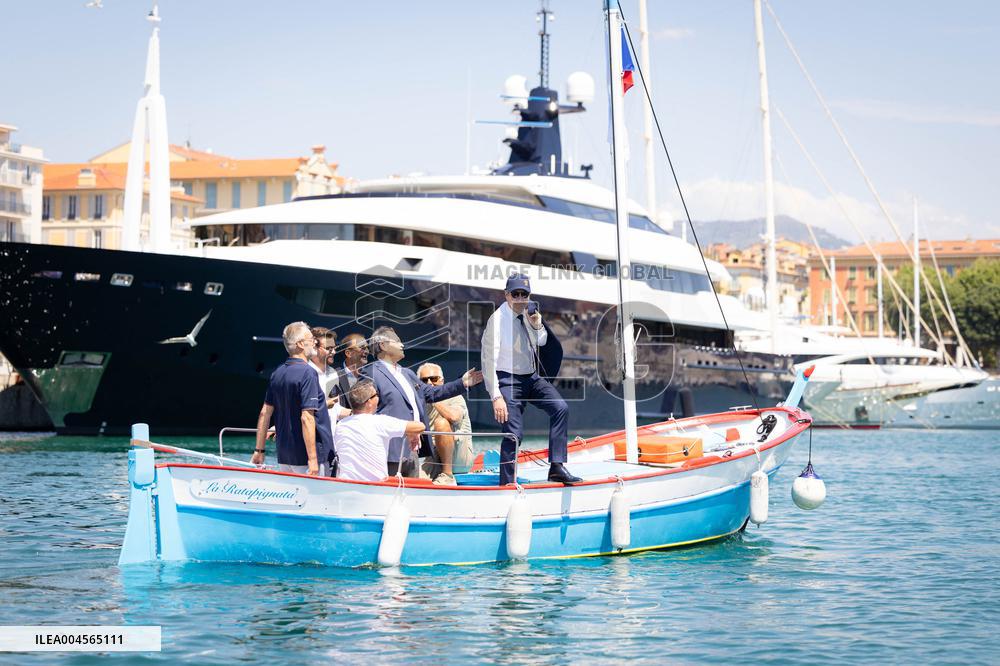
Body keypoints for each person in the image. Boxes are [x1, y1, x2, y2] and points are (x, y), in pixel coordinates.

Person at [482, 274, 581, 486]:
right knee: (514, 433)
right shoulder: (497, 321)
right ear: (506, 295)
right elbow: (488, 360)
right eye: (515, 294)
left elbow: (542, 341)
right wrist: (496, 396)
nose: (520, 298)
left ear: (529, 296)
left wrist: (537, 325)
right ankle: (507, 483)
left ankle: (556, 467)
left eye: (524, 294)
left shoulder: (530, 314)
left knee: (560, 408)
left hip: (530, 377)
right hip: (507, 379)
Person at [369, 325, 483, 477]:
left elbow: (432, 393)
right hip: (389, 451)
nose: (402, 344)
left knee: (412, 497)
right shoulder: (370, 373)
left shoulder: (407, 374)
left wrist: (462, 383)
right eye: (397, 341)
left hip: (412, 451)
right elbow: (366, 411)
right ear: (383, 345)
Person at [252, 321, 334, 476]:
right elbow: (307, 418)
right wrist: (313, 459)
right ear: (301, 344)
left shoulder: (277, 373)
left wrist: (259, 450)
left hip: (284, 456)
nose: (315, 342)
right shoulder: (308, 373)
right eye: (311, 339)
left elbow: (265, 413)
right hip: (307, 458)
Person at [335, 379, 426, 482]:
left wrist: (409, 432)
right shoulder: (380, 422)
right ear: (369, 402)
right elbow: (420, 426)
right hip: (375, 487)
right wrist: (411, 433)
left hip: (345, 485)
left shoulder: (341, 425)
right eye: (376, 395)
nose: (379, 397)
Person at [417, 362, 474, 486]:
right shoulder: (419, 402)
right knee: (414, 479)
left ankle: (447, 475)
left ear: (442, 381)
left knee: (441, 423)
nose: (429, 383)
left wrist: (433, 397)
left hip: (458, 456)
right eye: (424, 380)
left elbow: (454, 417)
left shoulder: (455, 397)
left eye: (433, 379)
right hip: (434, 456)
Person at [332, 332, 370, 409]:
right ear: (348, 353)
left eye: (367, 348)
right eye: (362, 348)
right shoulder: (333, 376)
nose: (367, 351)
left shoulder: (370, 376)